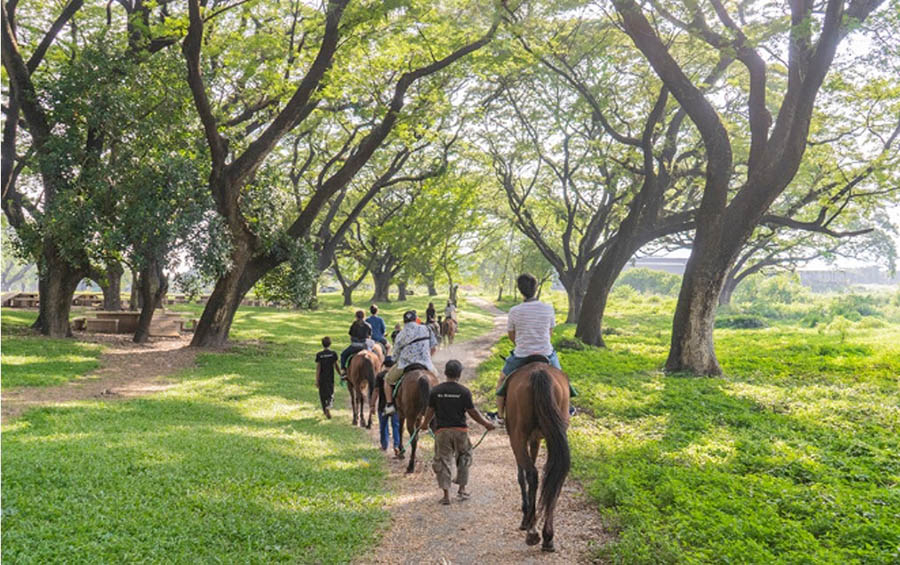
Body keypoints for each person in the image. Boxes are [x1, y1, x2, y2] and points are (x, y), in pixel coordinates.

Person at [420, 360, 495, 505]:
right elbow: (472, 412)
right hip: (460, 431)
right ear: (459, 374)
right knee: (464, 458)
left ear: (445, 373)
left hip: (442, 431)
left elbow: (430, 411)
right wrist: (486, 424)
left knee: (443, 460)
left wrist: (424, 424)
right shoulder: (464, 391)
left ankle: (446, 495)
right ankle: (461, 489)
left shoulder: (436, 391)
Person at [495, 273, 564, 418]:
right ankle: (567, 408)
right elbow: (550, 333)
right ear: (536, 288)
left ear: (520, 290)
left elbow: (511, 335)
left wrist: (522, 343)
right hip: (546, 353)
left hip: (522, 354)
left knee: (502, 380)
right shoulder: (548, 309)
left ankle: (500, 415)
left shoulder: (514, 311)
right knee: (562, 379)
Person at [382, 310, 439, 415]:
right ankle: (440, 404)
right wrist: (427, 357)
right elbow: (434, 348)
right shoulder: (426, 328)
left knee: (388, 380)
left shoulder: (400, 334)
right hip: (425, 363)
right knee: (437, 380)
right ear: (415, 319)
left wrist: (395, 360)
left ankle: (389, 405)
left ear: (404, 322)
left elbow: (395, 355)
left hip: (405, 364)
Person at [375, 358, 403, 456]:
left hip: (383, 406)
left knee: (383, 426)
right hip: (396, 406)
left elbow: (376, 391)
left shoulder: (379, 375)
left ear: (384, 364)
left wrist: (371, 404)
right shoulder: (398, 376)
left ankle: (384, 444)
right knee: (396, 425)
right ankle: (396, 445)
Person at [340, 310, 372, 374]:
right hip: (364, 346)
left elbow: (351, 336)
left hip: (355, 346)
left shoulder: (354, 324)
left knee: (343, 355)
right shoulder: (368, 325)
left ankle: (343, 370)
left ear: (356, 317)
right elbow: (369, 336)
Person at [315, 337, 338, 419]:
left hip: (322, 377)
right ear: (330, 344)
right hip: (330, 377)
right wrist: (340, 373)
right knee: (330, 393)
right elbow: (336, 365)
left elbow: (318, 368)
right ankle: (329, 405)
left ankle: (325, 410)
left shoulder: (319, 355)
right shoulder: (333, 354)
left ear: (322, 344)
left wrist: (317, 380)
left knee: (322, 394)